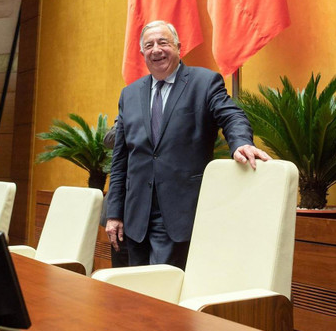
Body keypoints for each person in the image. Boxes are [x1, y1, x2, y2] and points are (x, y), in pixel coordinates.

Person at [105, 20, 270, 269]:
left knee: (164, 292)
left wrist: (240, 142)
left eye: (163, 42)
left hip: (177, 213)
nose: (156, 50)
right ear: (142, 54)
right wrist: (114, 213)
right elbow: (120, 161)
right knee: (131, 292)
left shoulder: (204, 82)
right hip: (134, 217)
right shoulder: (129, 94)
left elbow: (231, 115)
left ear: (178, 47)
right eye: (149, 45)